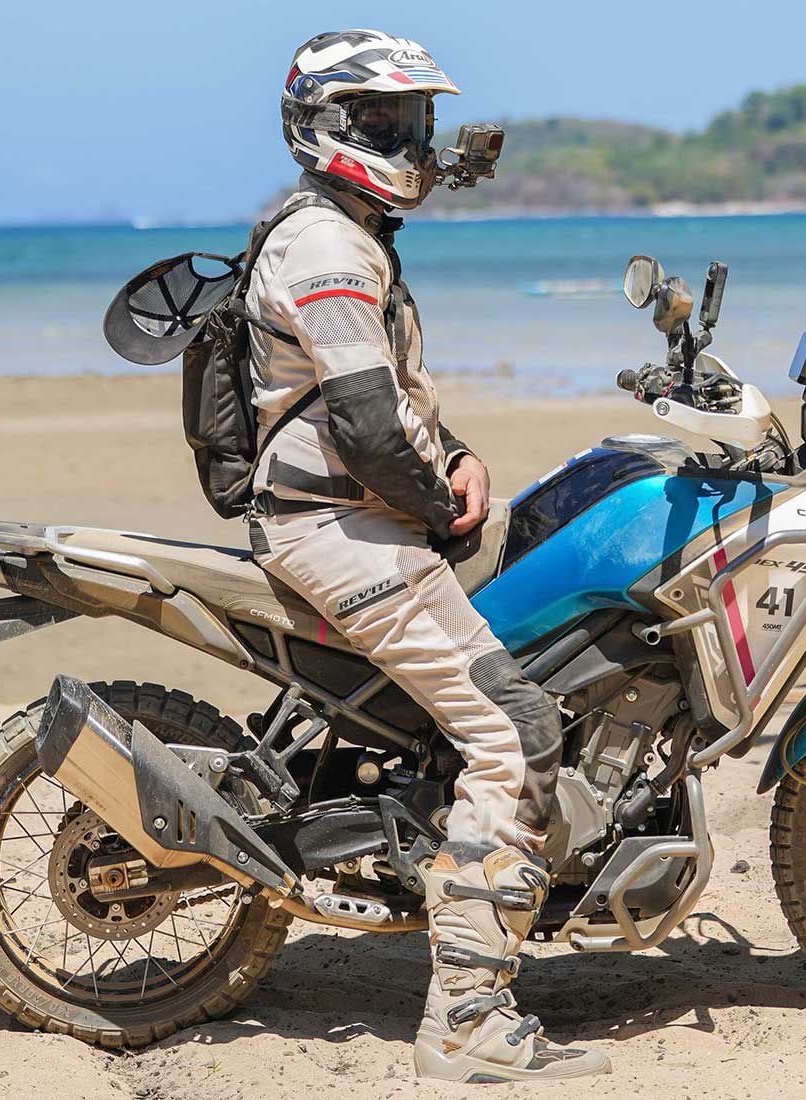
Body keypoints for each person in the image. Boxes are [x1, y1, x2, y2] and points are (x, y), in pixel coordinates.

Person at [243, 29, 611, 1083]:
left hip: (354, 514)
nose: (407, 139)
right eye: (384, 123)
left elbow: (383, 402)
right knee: (515, 726)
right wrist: (437, 505)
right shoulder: (322, 246)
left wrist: (454, 457)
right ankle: (466, 1023)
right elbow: (360, 420)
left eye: (413, 121)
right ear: (325, 127)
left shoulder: (350, 232)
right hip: (336, 526)